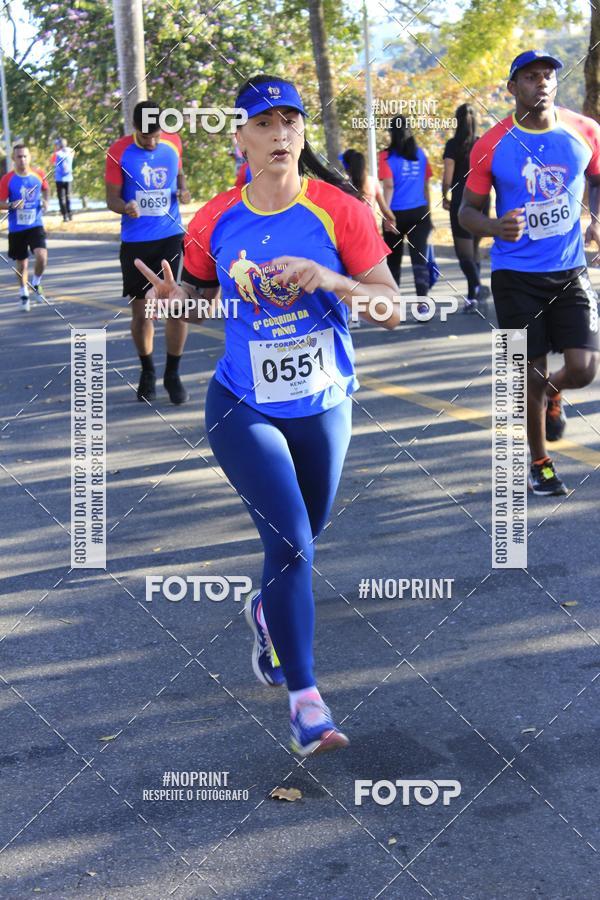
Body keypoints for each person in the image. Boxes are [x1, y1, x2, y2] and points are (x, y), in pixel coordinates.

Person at [135, 74, 400, 756]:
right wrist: (176, 301)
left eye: (290, 121)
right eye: (264, 122)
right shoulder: (215, 218)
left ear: (302, 132)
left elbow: (390, 306)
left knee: (299, 546)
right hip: (243, 405)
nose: (280, 132)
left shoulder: (341, 212)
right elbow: (198, 301)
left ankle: (264, 610)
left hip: (324, 405)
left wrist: (335, 280)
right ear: (241, 138)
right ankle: (306, 701)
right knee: (292, 548)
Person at [460, 49, 600, 496]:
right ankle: (540, 464)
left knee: (583, 369)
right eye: (531, 77)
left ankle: (556, 393)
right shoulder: (492, 144)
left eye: (548, 75)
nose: (542, 82)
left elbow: (598, 182)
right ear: (512, 88)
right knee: (530, 376)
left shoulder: (584, 132)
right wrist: (493, 226)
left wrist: (596, 217)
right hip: (515, 276)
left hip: (571, 271)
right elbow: (465, 212)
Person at [105, 100, 192, 404]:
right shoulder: (118, 151)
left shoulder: (174, 142)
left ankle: (173, 373)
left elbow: (180, 176)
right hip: (137, 243)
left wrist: (183, 190)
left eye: (156, 135)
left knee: (177, 308)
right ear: (134, 129)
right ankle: (147, 371)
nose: (152, 142)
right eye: (146, 137)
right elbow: (111, 199)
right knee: (142, 314)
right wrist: (124, 207)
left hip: (171, 236)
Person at [378, 115, 433, 305]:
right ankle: (423, 304)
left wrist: (387, 216)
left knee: (394, 261)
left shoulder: (385, 156)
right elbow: (426, 185)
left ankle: (394, 305)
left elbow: (389, 187)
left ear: (391, 133)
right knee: (419, 259)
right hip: (420, 211)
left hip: (396, 214)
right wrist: (428, 212)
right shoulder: (421, 154)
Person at [442, 104, 490, 312]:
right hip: (482, 197)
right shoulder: (482, 144)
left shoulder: (453, 145)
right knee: (474, 250)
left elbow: (447, 175)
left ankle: (477, 287)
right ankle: (473, 298)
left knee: (464, 255)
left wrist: (445, 195)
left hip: (462, 199)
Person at [0, 143, 49, 310]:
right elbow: (0, 203)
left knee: (42, 256)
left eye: (25, 156)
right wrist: (12, 205)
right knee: (22, 264)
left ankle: (35, 283)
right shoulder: (7, 179)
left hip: (35, 224)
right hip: (17, 228)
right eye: (19, 156)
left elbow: (45, 188)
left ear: (29, 157)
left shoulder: (38, 174)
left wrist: (45, 201)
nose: (22, 159)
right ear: (14, 158)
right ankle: (23, 293)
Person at [51, 137, 74, 222]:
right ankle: (70, 213)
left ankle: (65, 216)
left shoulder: (56, 154)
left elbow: (52, 162)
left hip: (59, 179)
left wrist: (55, 149)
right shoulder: (71, 152)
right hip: (69, 178)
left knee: (61, 198)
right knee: (68, 196)